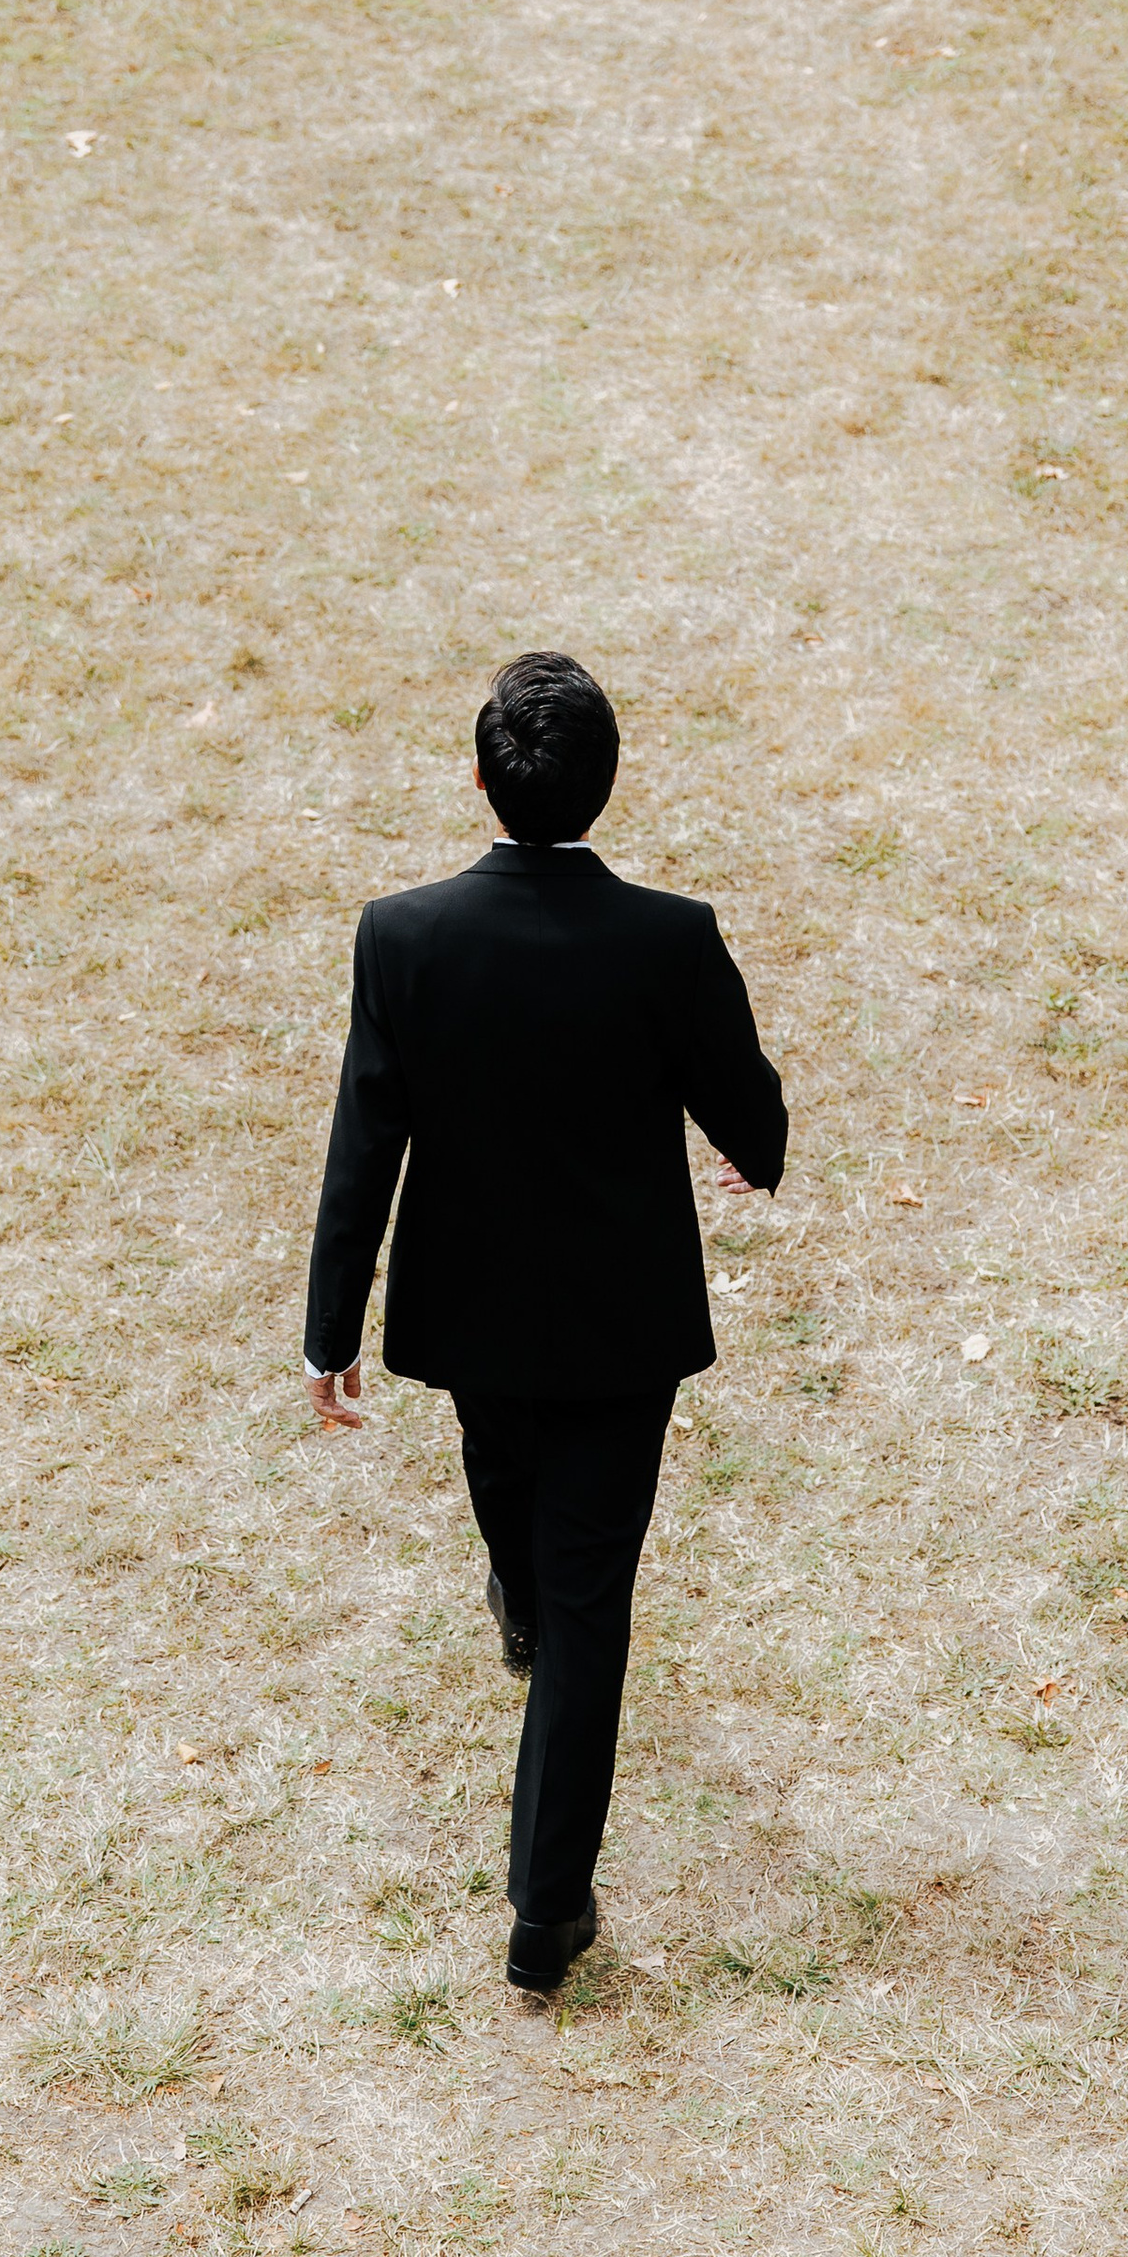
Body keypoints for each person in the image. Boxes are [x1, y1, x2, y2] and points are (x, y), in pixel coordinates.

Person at [302, 651, 787, 1995]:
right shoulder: (669, 939)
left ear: (477, 780)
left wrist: (328, 1328)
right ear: (609, 786)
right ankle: (546, 1891)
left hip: (472, 1316)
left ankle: (544, 1878)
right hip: (624, 1329)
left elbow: (365, 1143)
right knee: (585, 1609)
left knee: (512, 1493)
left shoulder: (405, 936)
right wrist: (762, 1150)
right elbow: (736, 1089)